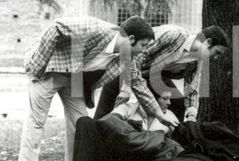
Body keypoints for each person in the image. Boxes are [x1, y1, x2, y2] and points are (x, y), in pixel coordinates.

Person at [16, 16, 156, 161]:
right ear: (131, 39)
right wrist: (38, 66)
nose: (143, 51)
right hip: (48, 71)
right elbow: (56, 28)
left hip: (73, 80)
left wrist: (159, 113)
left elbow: (138, 82)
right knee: (36, 122)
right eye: (143, 46)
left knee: (81, 123)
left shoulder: (126, 55)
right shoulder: (97, 28)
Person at [57, 85, 182, 161]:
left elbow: (173, 145)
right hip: (117, 159)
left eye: (169, 99)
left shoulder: (169, 116)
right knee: (85, 122)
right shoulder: (130, 107)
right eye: (165, 99)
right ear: (151, 99)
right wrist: (128, 115)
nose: (169, 103)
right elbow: (105, 122)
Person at [93, 25, 230, 123]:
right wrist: (127, 87)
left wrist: (192, 111)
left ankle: (168, 149)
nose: (216, 58)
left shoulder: (198, 60)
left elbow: (192, 87)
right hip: (127, 67)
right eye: (217, 53)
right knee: (107, 110)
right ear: (208, 42)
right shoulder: (172, 34)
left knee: (178, 103)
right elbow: (137, 56)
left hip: (153, 78)